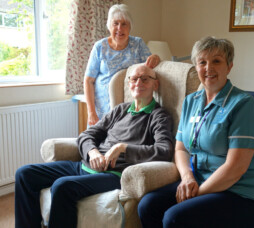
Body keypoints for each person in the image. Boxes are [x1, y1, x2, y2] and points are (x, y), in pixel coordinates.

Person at [138, 36, 254, 228]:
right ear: (196, 67)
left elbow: (235, 168)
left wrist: (196, 194)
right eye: (202, 62)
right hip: (201, 179)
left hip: (244, 192)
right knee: (148, 205)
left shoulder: (243, 105)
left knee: (175, 218)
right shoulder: (191, 101)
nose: (208, 68)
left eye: (216, 61)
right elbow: (180, 149)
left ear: (229, 66)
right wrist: (187, 177)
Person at [15, 65, 174, 228]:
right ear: (129, 84)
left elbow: (164, 151)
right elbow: (87, 134)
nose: (138, 82)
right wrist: (93, 152)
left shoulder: (159, 116)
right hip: (85, 165)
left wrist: (122, 148)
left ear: (155, 85)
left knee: (63, 186)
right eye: (134, 79)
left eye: (145, 79)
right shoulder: (120, 110)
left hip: (114, 174)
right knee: (25, 174)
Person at [84, 4, 160, 126]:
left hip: (130, 108)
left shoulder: (138, 44)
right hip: (102, 110)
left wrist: (156, 58)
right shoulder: (100, 47)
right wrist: (91, 112)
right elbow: (88, 81)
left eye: (124, 24)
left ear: (130, 27)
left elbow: (151, 66)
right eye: (116, 23)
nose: (120, 28)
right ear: (109, 26)